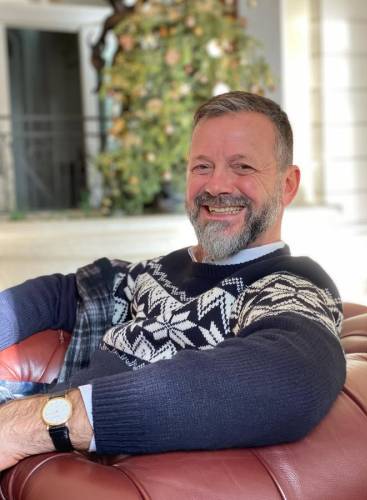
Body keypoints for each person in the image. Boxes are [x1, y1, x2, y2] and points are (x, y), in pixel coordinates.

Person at [0, 91, 346, 471]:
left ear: (287, 185)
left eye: (243, 167)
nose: (217, 185)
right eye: (202, 166)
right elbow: (64, 295)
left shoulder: (288, 284)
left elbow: (292, 376)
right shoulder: (164, 269)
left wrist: (40, 424)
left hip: (84, 465)